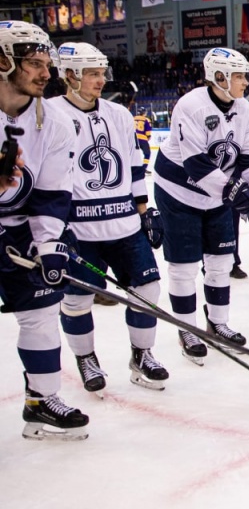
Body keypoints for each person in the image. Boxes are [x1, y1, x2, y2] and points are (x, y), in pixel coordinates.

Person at [51, 42, 168, 395]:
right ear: (69, 75)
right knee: (77, 300)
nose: (101, 80)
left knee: (147, 288)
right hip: (77, 229)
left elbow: (133, 165)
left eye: (102, 73)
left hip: (124, 223)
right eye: (92, 73)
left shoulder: (118, 114)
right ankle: (86, 358)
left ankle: (142, 354)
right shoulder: (49, 114)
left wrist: (146, 210)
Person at [154, 48, 249, 364]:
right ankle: (187, 328)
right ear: (218, 77)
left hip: (218, 193)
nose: (244, 81)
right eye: (238, 76)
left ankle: (218, 322)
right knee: (183, 267)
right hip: (178, 192)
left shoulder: (247, 111)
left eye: (244, 74)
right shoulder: (191, 106)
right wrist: (233, 190)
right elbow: (195, 163)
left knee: (221, 261)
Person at [0, 20, 88, 440]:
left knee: (40, 313)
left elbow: (51, 193)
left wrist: (49, 243)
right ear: (2, 62)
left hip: (18, 229)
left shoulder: (51, 121)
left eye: (47, 64)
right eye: (34, 64)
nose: (46, 73)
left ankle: (41, 401)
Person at [134, 108, 152, 174]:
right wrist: (148, 136)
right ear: (144, 113)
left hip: (133, 139)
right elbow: (148, 131)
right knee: (147, 153)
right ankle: (144, 168)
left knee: (133, 155)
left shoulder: (133, 118)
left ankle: (132, 169)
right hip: (142, 139)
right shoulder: (146, 120)